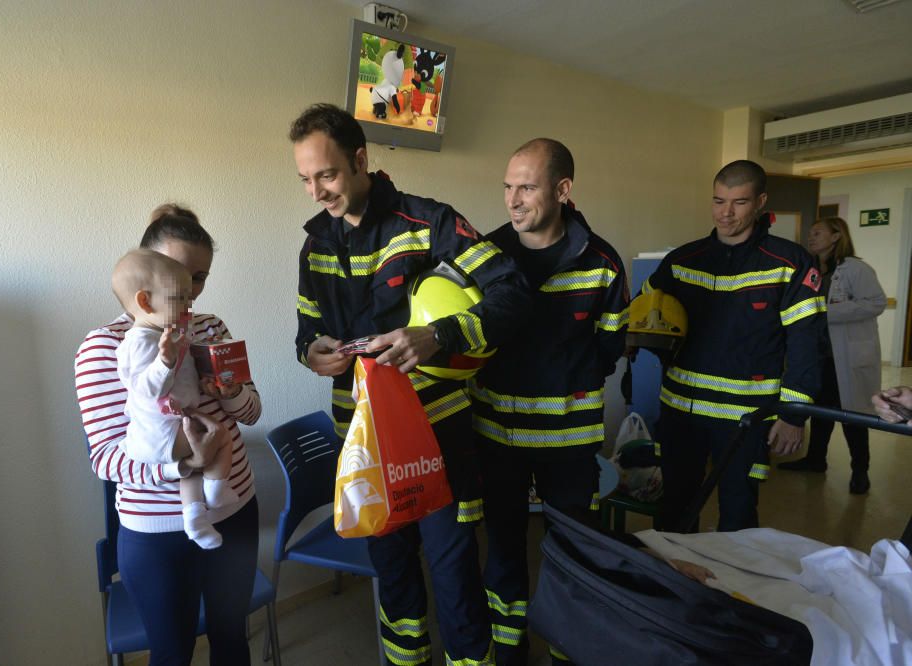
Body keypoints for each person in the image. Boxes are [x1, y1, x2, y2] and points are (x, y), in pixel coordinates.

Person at [290, 103, 529, 666]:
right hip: (364, 438)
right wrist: (311, 353)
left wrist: (436, 337)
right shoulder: (314, 245)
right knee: (392, 571)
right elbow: (306, 329)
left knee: (452, 569)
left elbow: (512, 293)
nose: (316, 191)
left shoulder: (429, 221)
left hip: (435, 433)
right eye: (305, 179)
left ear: (360, 160)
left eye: (326, 174)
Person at [75, 204, 262, 665]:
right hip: (157, 533)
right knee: (172, 654)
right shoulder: (106, 348)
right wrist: (183, 466)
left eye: (200, 278)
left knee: (233, 641)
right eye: (181, 277)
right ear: (147, 276)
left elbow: (253, 412)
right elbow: (105, 458)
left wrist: (232, 391)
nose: (192, 294)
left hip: (235, 510)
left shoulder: (211, 328)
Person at [470, 138, 628, 666]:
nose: (513, 200)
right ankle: (510, 648)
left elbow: (610, 347)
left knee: (573, 552)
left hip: (569, 441)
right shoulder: (486, 257)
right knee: (506, 548)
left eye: (527, 187)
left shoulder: (602, 262)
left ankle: (567, 647)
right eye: (508, 187)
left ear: (562, 190)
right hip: (498, 438)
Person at [641, 160, 825, 532]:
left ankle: (727, 592)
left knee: (738, 515)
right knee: (675, 508)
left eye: (739, 203)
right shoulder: (683, 260)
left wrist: (792, 415)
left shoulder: (789, 263)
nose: (726, 213)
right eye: (718, 201)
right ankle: (671, 587)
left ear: (760, 201)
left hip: (744, 416)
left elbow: (808, 345)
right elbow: (645, 310)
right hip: (682, 409)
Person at [112, 249, 237, 549]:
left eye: (189, 298)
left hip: (170, 425)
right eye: (178, 298)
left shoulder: (164, 333)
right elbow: (146, 390)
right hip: (161, 432)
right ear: (145, 301)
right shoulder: (142, 341)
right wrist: (165, 361)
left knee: (192, 469)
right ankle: (217, 491)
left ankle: (194, 518)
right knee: (220, 438)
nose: (188, 305)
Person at [778, 217, 885, 495]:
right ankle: (816, 460)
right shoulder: (814, 270)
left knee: (852, 416)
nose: (811, 238)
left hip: (846, 357)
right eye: (810, 233)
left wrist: (830, 312)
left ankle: (860, 472)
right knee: (820, 411)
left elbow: (876, 303)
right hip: (820, 355)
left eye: (817, 233)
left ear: (836, 236)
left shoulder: (856, 268)